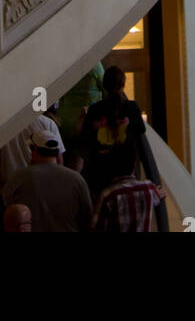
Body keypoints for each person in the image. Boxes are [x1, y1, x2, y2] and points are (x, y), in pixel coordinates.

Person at [74, 65, 162, 200]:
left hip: (100, 177)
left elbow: (85, 141)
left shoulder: (94, 110)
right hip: (126, 175)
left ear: (104, 85)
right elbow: (140, 136)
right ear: (123, 84)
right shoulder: (132, 108)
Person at [1, 129, 92, 233]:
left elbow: (7, 207)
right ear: (57, 152)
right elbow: (87, 216)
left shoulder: (20, 177)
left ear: (34, 149)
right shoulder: (77, 179)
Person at [91, 147, 167, 232]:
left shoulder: (107, 195)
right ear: (134, 166)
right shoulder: (148, 188)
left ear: (112, 166)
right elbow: (160, 193)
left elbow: (96, 227)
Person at [57, 61, 106, 158]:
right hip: (86, 122)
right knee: (83, 156)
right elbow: (107, 89)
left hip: (63, 122)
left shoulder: (62, 65)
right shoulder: (94, 65)